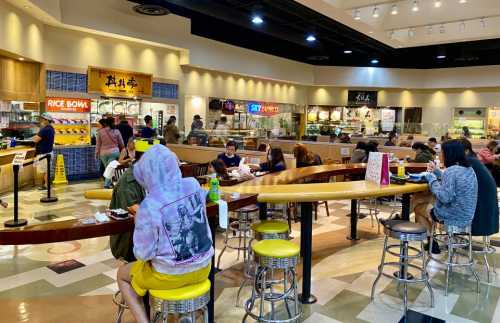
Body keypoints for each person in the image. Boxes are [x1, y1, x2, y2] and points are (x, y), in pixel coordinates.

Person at [117, 145, 213, 323]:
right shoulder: (193, 185)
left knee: (122, 274)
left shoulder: (149, 205)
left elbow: (143, 254)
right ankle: (183, 314)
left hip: (169, 276)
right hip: (204, 268)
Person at [423, 140, 478, 253]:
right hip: (467, 215)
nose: (440, 154)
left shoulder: (451, 171)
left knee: (419, 208)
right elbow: (454, 182)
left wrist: (431, 179)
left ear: (448, 153)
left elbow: (444, 197)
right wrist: (437, 172)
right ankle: (432, 242)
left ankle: (432, 243)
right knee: (422, 201)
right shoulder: (468, 169)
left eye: (442, 152)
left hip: (453, 216)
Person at [110, 150, 146, 262]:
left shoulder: (146, 176)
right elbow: (136, 211)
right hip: (129, 245)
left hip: (144, 242)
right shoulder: (128, 182)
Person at [460, 139, 499, 238]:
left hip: (481, 203)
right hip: (485, 200)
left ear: (466, 151)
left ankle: (452, 235)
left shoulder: (468, 161)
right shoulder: (472, 159)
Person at [96, 117, 125, 188]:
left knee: (108, 168)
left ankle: (109, 183)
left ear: (106, 123)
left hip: (103, 153)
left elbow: (98, 144)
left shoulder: (100, 132)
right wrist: (123, 149)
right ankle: (107, 184)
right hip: (114, 152)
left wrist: (96, 153)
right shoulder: (116, 131)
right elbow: (121, 143)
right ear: (113, 122)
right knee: (110, 168)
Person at [32, 113, 55, 190]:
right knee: (46, 170)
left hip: (45, 153)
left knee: (45, 170)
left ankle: (46, 185)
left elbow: (35, 139)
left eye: (43, 119)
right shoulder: (50, 128)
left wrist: (35, 137)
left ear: (47, 120)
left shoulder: (46, 129)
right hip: (48, 152)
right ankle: (46, 185)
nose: (41, 120)